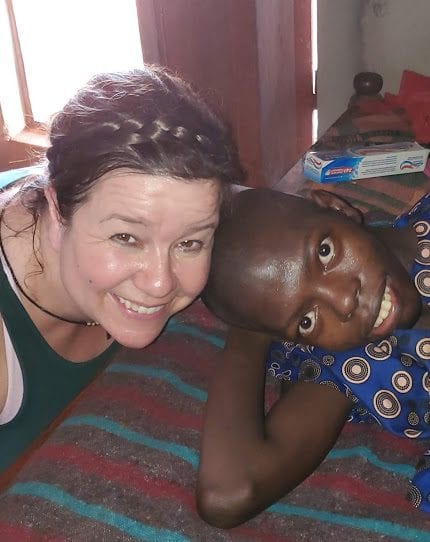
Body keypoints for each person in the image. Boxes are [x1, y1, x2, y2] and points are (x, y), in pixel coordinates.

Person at [0, 65, 245, 472]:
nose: (159, 283)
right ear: (59, 209)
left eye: (189, 243)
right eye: (127, 238)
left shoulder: (124, 195)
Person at [197, 186, 430, 528]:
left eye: (324, 252)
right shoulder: (356, 363)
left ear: (335, 207)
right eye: (306, 319)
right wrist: (248, 334)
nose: (343, 301)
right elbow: (227, 493)